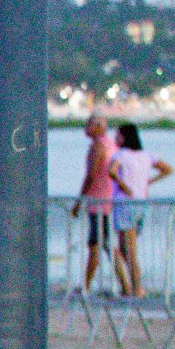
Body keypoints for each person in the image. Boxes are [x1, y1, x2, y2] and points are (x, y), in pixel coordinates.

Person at [110, 122, 171, 299]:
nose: (115, 138)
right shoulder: (147, 156)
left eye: (118, 135)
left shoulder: (121, 155)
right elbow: (167, 169)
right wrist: (148, 181)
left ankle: (136, 288)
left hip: (124, 204)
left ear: (124, 137)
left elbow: (112, 171)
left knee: (129, 249)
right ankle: (129, 286)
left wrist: (123, 186)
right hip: (141, 203)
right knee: (125, 248)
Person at [76, 112, 119, 294]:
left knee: (96, 244)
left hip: (98, 201)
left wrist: (79, 201)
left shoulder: (99, 146)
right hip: (108, 199)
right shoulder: (111, 145)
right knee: (105, 243)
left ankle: (86, 286)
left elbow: (91, 175)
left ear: (99, 127)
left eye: (89, 124)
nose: (86, 128)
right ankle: (126, 285)